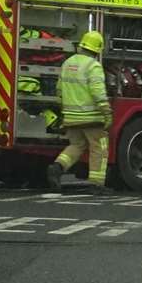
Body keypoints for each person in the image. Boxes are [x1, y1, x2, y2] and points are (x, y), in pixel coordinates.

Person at [47, 29, 112, 194]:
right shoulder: (93, 65)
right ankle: (96, 184)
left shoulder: (68, 63)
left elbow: (59, 90)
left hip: (71, 117)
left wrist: (64, 111)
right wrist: (106, 112)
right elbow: (98, 91)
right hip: (92, 118)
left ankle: (57, 167)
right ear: (97, 49)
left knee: (77, 145)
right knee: (99, 147)